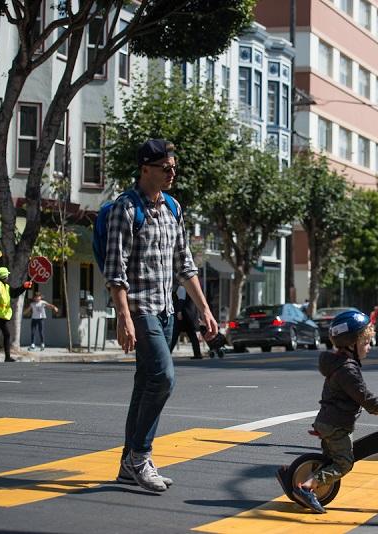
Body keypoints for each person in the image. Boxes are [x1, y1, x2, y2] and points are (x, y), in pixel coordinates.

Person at [104, 139, 218, 493]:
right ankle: (140, 456)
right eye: (166, 167)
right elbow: (115, 269)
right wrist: (123, 318)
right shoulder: (126, 208)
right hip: (139, 309)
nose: (173, 173)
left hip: (166, 310)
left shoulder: (172, 207)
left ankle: (128, 463)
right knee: (163, 379)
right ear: (145, 169)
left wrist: (205, 309)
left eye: (174, 166)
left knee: (145, 384)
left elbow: (185, 264)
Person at [276, 310, 378, 513]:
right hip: (336, 425)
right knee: (344, 464)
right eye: (365, 342)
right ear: (351, 343)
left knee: (331, 459)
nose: (369, 347)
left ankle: (292, 475)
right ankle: (306, 487)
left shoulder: (340, 364)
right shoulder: (347, 370)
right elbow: (364, 398)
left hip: (330, 420)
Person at [169, 285, 202, 359]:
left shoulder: (182, 288)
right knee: (192, 335)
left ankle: (167, 353)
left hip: (184, 316)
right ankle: (197, 354)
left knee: (175, 334)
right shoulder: (192, 289)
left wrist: (179, 311)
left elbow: (181, 300)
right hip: (191, 316)